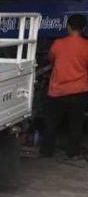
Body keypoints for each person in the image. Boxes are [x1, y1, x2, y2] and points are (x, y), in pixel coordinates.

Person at [41, 14, 88, 158]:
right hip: (79, 91)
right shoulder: (86, 46)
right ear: (84, 29)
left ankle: (47, 151)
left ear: (68, 27)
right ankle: (72, 153)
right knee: (75, 125)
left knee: (51, 123)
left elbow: (51, 59)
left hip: (57, 91)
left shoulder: (58, 44)